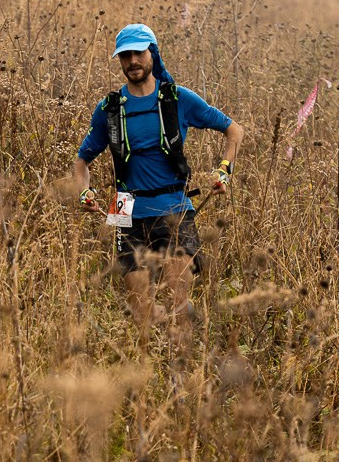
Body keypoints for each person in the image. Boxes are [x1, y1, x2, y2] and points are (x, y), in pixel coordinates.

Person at [73, 23, 244, 349]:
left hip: (175, 208)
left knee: (178, 303)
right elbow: (81, 163)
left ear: (152, 53)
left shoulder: (178, 99)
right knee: (142, 316)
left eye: (139, 52)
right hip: (124, 210)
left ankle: (185, 382)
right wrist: (84, 191)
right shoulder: (109, 109)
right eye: (125, 55)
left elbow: (234, 131)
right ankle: (155, 373)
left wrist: (224, 171)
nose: (133, 60)